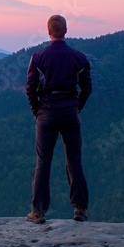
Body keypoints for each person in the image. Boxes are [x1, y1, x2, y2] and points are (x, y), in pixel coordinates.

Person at [25, 15, 92, 223]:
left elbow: (30, 88)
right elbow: (87, 88)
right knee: (74, 160)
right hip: (70, 112)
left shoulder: (38, 57)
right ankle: (79, 209)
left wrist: (37, 111)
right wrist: (76, 107)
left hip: (46, 113)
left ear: (48, 31)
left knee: (43, 162)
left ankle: (38, 212)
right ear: (66, 30)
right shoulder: (79, 57)